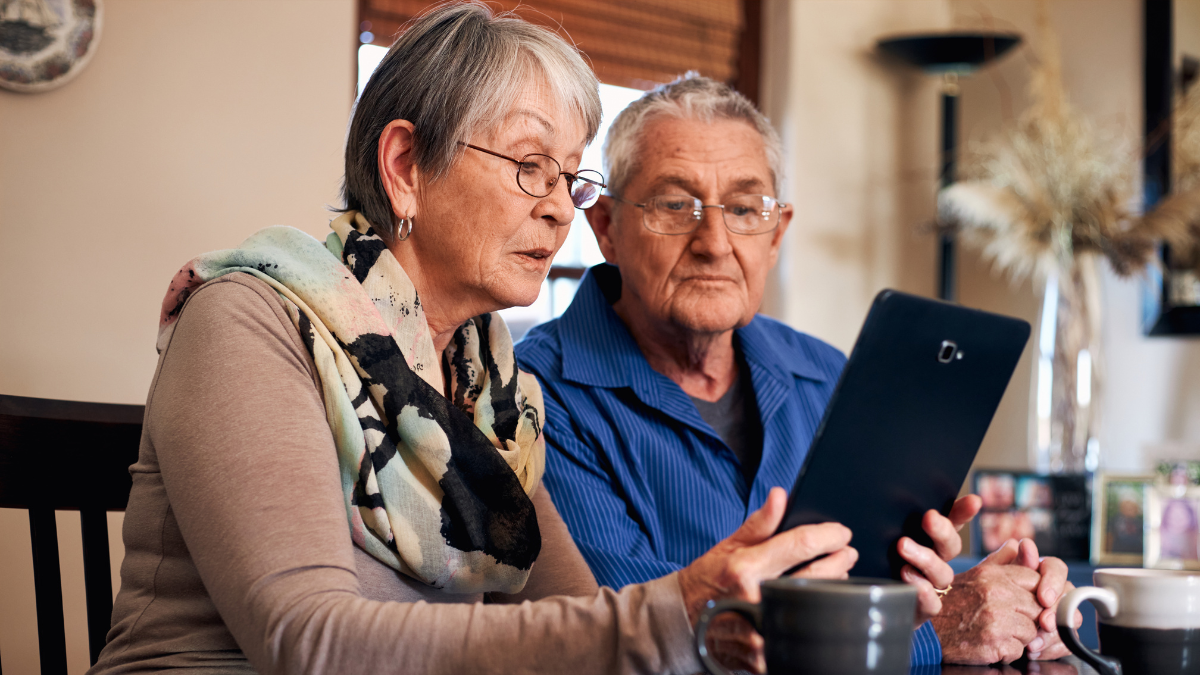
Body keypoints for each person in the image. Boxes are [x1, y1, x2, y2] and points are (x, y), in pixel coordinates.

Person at [86, 7, 890, 674]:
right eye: (531, 164)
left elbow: (580, 620)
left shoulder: (493, 389)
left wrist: (715, 622)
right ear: (405, 165)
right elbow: (308, 641)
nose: (560, 209)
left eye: (570, 176)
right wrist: (672, 611)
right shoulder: (251, 320)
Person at [515, 74, 1079, 670]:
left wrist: (1004, 602)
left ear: (777, 232)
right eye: (675, 205)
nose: (714, 242)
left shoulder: (825, 373)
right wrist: (935, 632)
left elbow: (881, 578)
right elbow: (635, 638)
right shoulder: (531, 395)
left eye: (744, 208)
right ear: (606, 228)